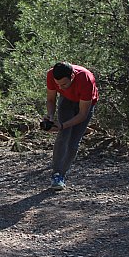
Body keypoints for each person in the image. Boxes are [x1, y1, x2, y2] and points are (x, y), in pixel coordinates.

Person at [42, 61, 99, 191]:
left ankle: (63, 173)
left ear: (72, 76)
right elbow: (51, 99)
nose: (60, 87)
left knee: (73, 141)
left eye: (64, 84)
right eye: (58, 85)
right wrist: (50, 116)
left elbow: (82, 114)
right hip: (67, 100)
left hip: (85, 104)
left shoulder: (86, 79)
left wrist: (62, 125)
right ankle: (57, 175)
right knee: (63, 137)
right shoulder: (51, 75)